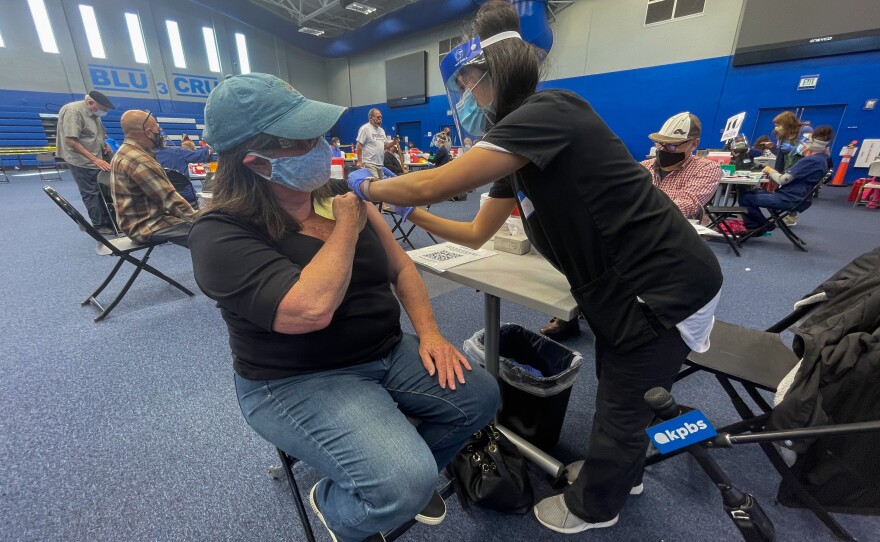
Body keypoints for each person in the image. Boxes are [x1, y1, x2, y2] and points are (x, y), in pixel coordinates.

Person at [346, 1, 723, 533]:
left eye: (470, 84)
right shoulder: (517, 152)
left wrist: (372, 187)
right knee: (623, 384)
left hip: (662, 285)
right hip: (625, 287)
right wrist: (417, 214)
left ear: (487, 77)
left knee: (623, 399)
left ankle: (596, 505)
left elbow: (435, 179)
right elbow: (477, 232)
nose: (468, 98)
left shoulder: (550, 113)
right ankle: (624, 474)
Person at [190, 73, 499, 542]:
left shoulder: (340, 197)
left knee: (481, 398)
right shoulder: (221, 233)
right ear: (256, 162)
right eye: (304, 141)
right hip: (296, 378)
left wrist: (431, 332)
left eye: (319, 136)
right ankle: (341, 504)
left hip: (387, 351)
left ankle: (393, 484)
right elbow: (309, 309)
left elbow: (402, 270)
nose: (322, 148)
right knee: (405, 481)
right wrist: (347, 229)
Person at [110, 110, 197, 247]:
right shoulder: (140, 160)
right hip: (148, 225)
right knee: (208, 235)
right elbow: (170, 200)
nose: (160, 132)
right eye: (157, 128)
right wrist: (203, 221)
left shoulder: (123, 152)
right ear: (149, 132)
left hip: (134, 222)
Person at [738, 126, 833, 233]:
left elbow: (782, 180)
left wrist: (770, 170)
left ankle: (759, 226)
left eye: (802, 143)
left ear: (809, 145)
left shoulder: (810, 161)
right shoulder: (823, 158)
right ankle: (760, 224)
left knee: (745, 199)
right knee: (750, 192)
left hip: (789, 198)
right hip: (797, 197)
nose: (800, 145)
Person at [55, 91, 116, 233]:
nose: (104, 112)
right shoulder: (74, 111)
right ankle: (99, 226)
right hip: (81, 161)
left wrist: (105, 143)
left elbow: (98, 133)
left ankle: (109, 221)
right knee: (91, 193)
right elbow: (70, 140)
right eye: (103, 108)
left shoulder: (94, 114)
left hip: (96, 157)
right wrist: (94, 159)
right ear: (90, 103)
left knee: (103, 190)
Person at [356, 108, 393, 179]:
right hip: (369, 163)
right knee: (376, 184)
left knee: (381, 184)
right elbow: (359, 145)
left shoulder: (381, 130)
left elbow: (385, 146)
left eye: (381, 117)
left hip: (380, 164)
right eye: (378, 117)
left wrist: (394, 142)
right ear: (371, 118)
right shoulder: (365, 129)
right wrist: (359, 161)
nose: (380, 119)